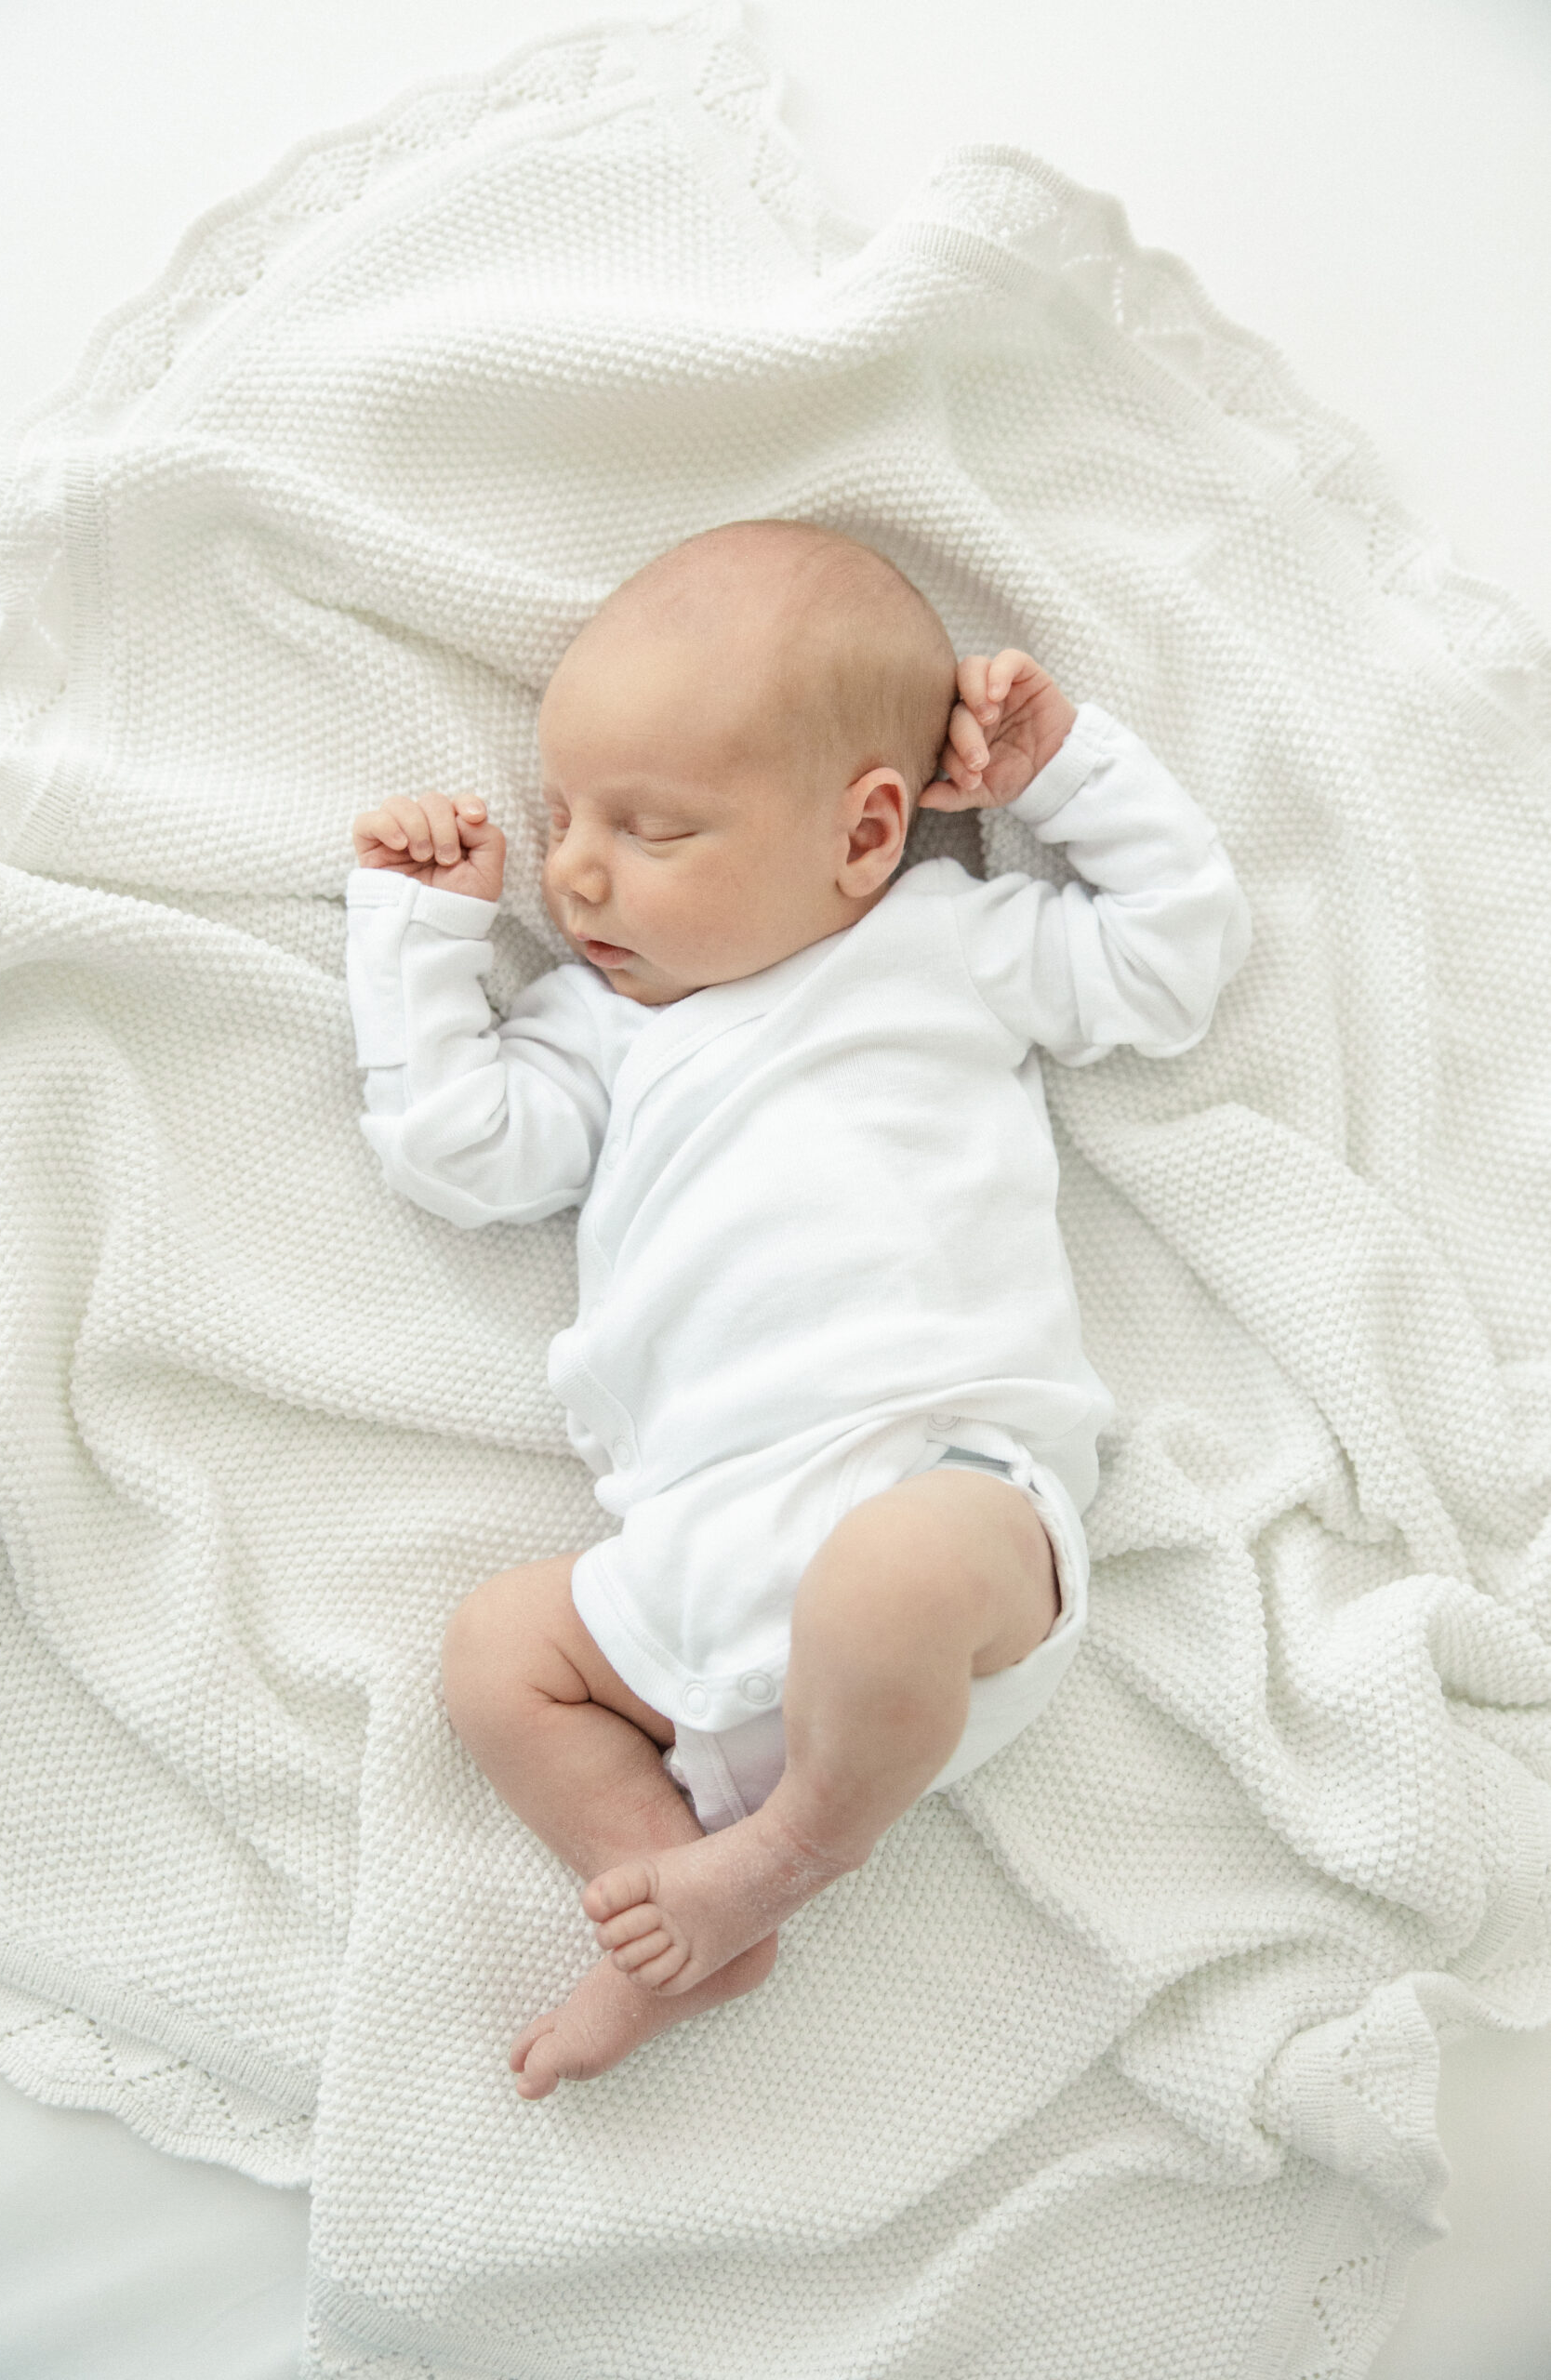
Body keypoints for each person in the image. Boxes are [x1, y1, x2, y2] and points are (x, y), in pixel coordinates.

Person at [345, 519, 1251, 2099]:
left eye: (651, 828)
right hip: (693, 1561)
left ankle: (785, 1857)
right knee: (497, 1655)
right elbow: (458, 1152)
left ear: (864, 831)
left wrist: (1062, 775)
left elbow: (1175, 962)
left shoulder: (949, 945)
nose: (573, 872)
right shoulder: (603, 1033)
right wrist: (419, 932)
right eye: (564, 820)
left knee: (891, 1576)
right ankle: (673, 1896)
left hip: (951, 1505)